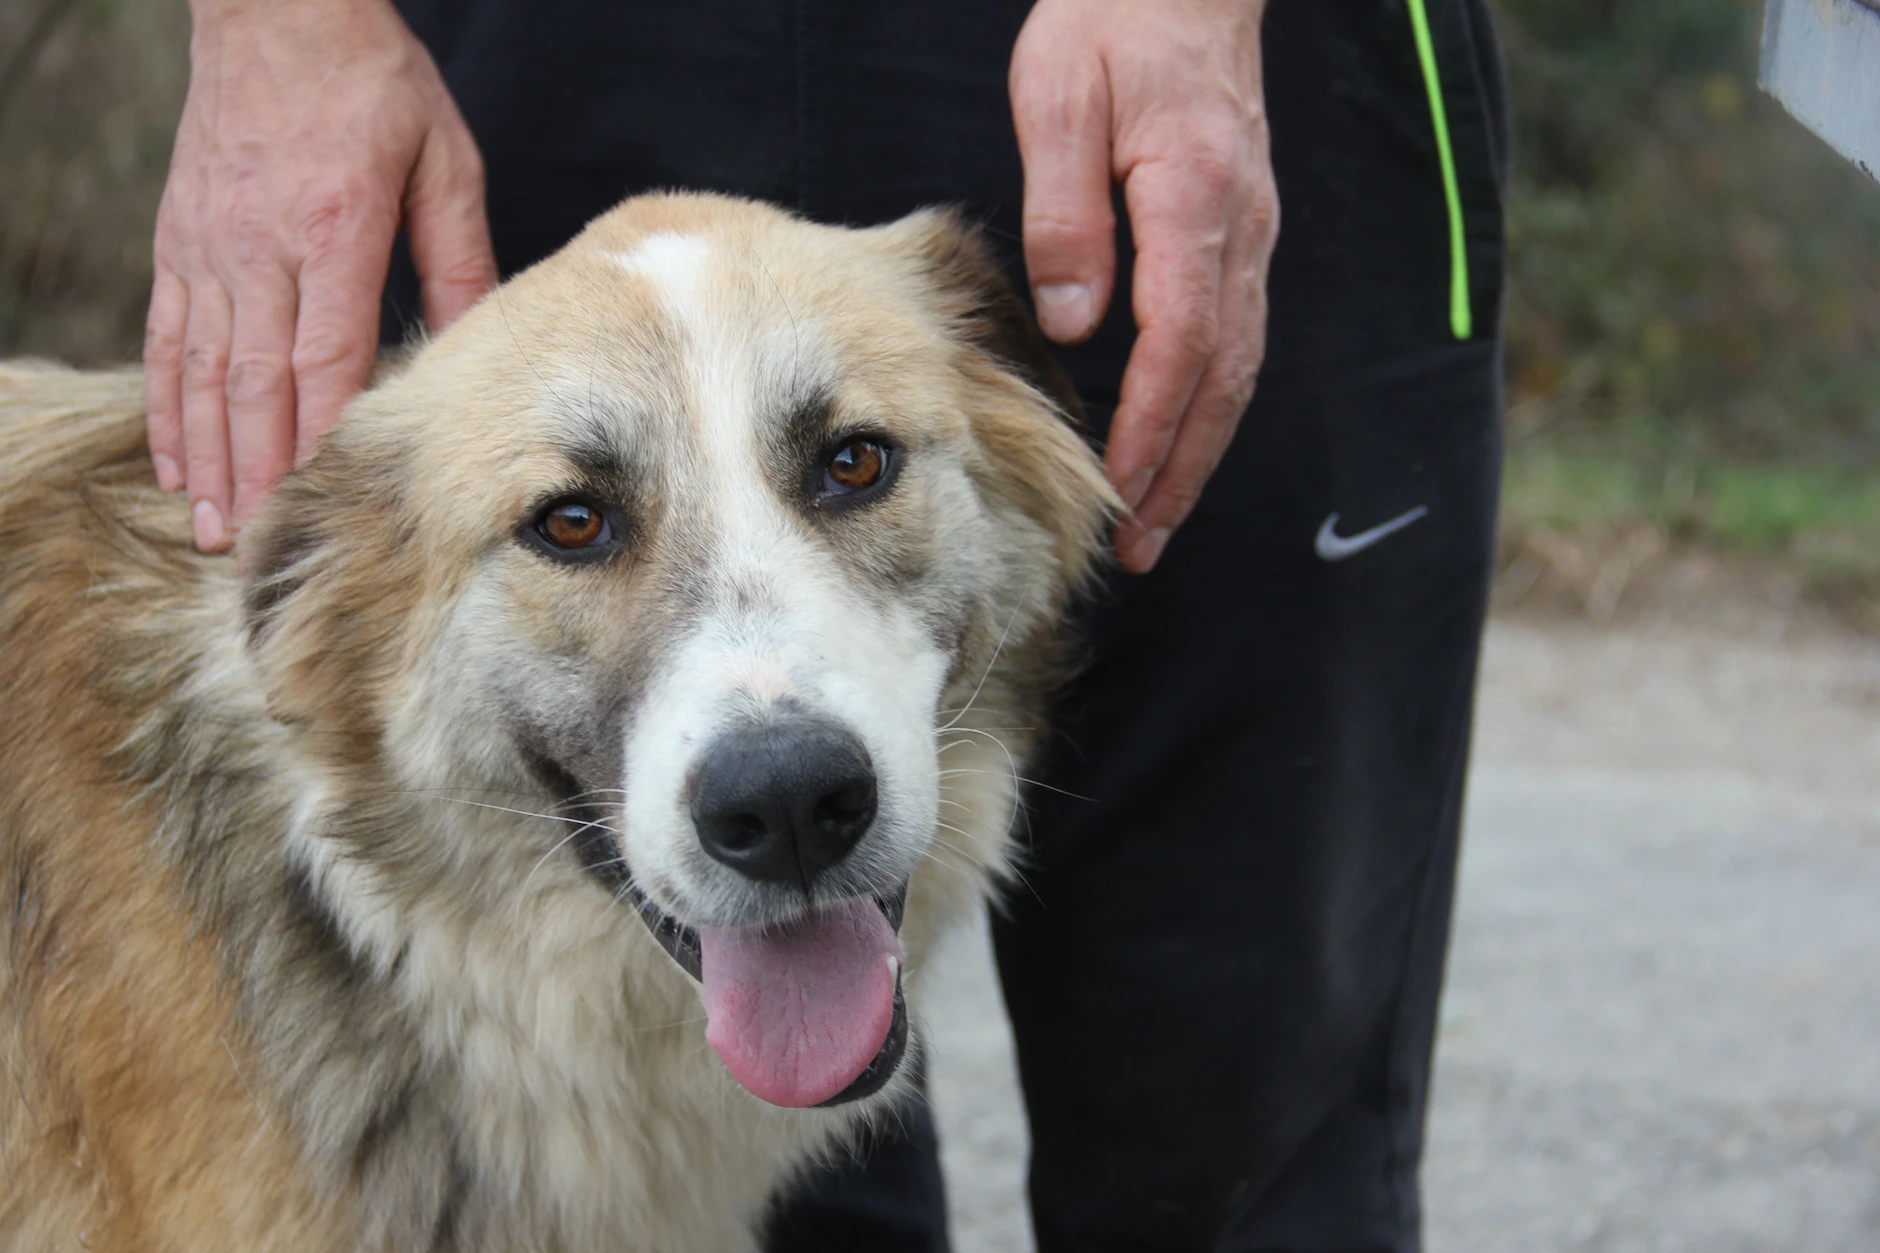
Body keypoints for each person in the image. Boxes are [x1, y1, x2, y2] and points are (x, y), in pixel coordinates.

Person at [143, 0, 1508, 1248]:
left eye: (854, 465)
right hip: (530, 49)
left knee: (1241, 1129)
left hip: (1192, 54)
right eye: (574, 524)